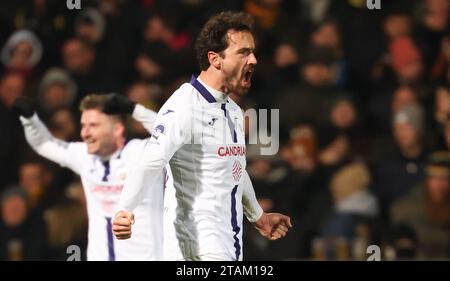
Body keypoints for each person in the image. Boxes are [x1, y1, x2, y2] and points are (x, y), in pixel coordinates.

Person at [113, 11, 292, 261]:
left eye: (253, 52)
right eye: (243, 52)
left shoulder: (233, 111)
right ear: (215, 59)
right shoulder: (184, 106)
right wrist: (125, 209)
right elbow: (151, 162)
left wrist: (259, 217)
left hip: (227, 243)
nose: (253, 59)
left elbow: (235, 168)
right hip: (196, 247)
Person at [12, 94, 161, 261]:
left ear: (117, 129)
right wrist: (30, 119)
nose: (85, 133)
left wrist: (134, 109)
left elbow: (173, 137)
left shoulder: (142, 153)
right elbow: (43, 144)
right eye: (83, 125)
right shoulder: (83, 156)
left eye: (94, 125)